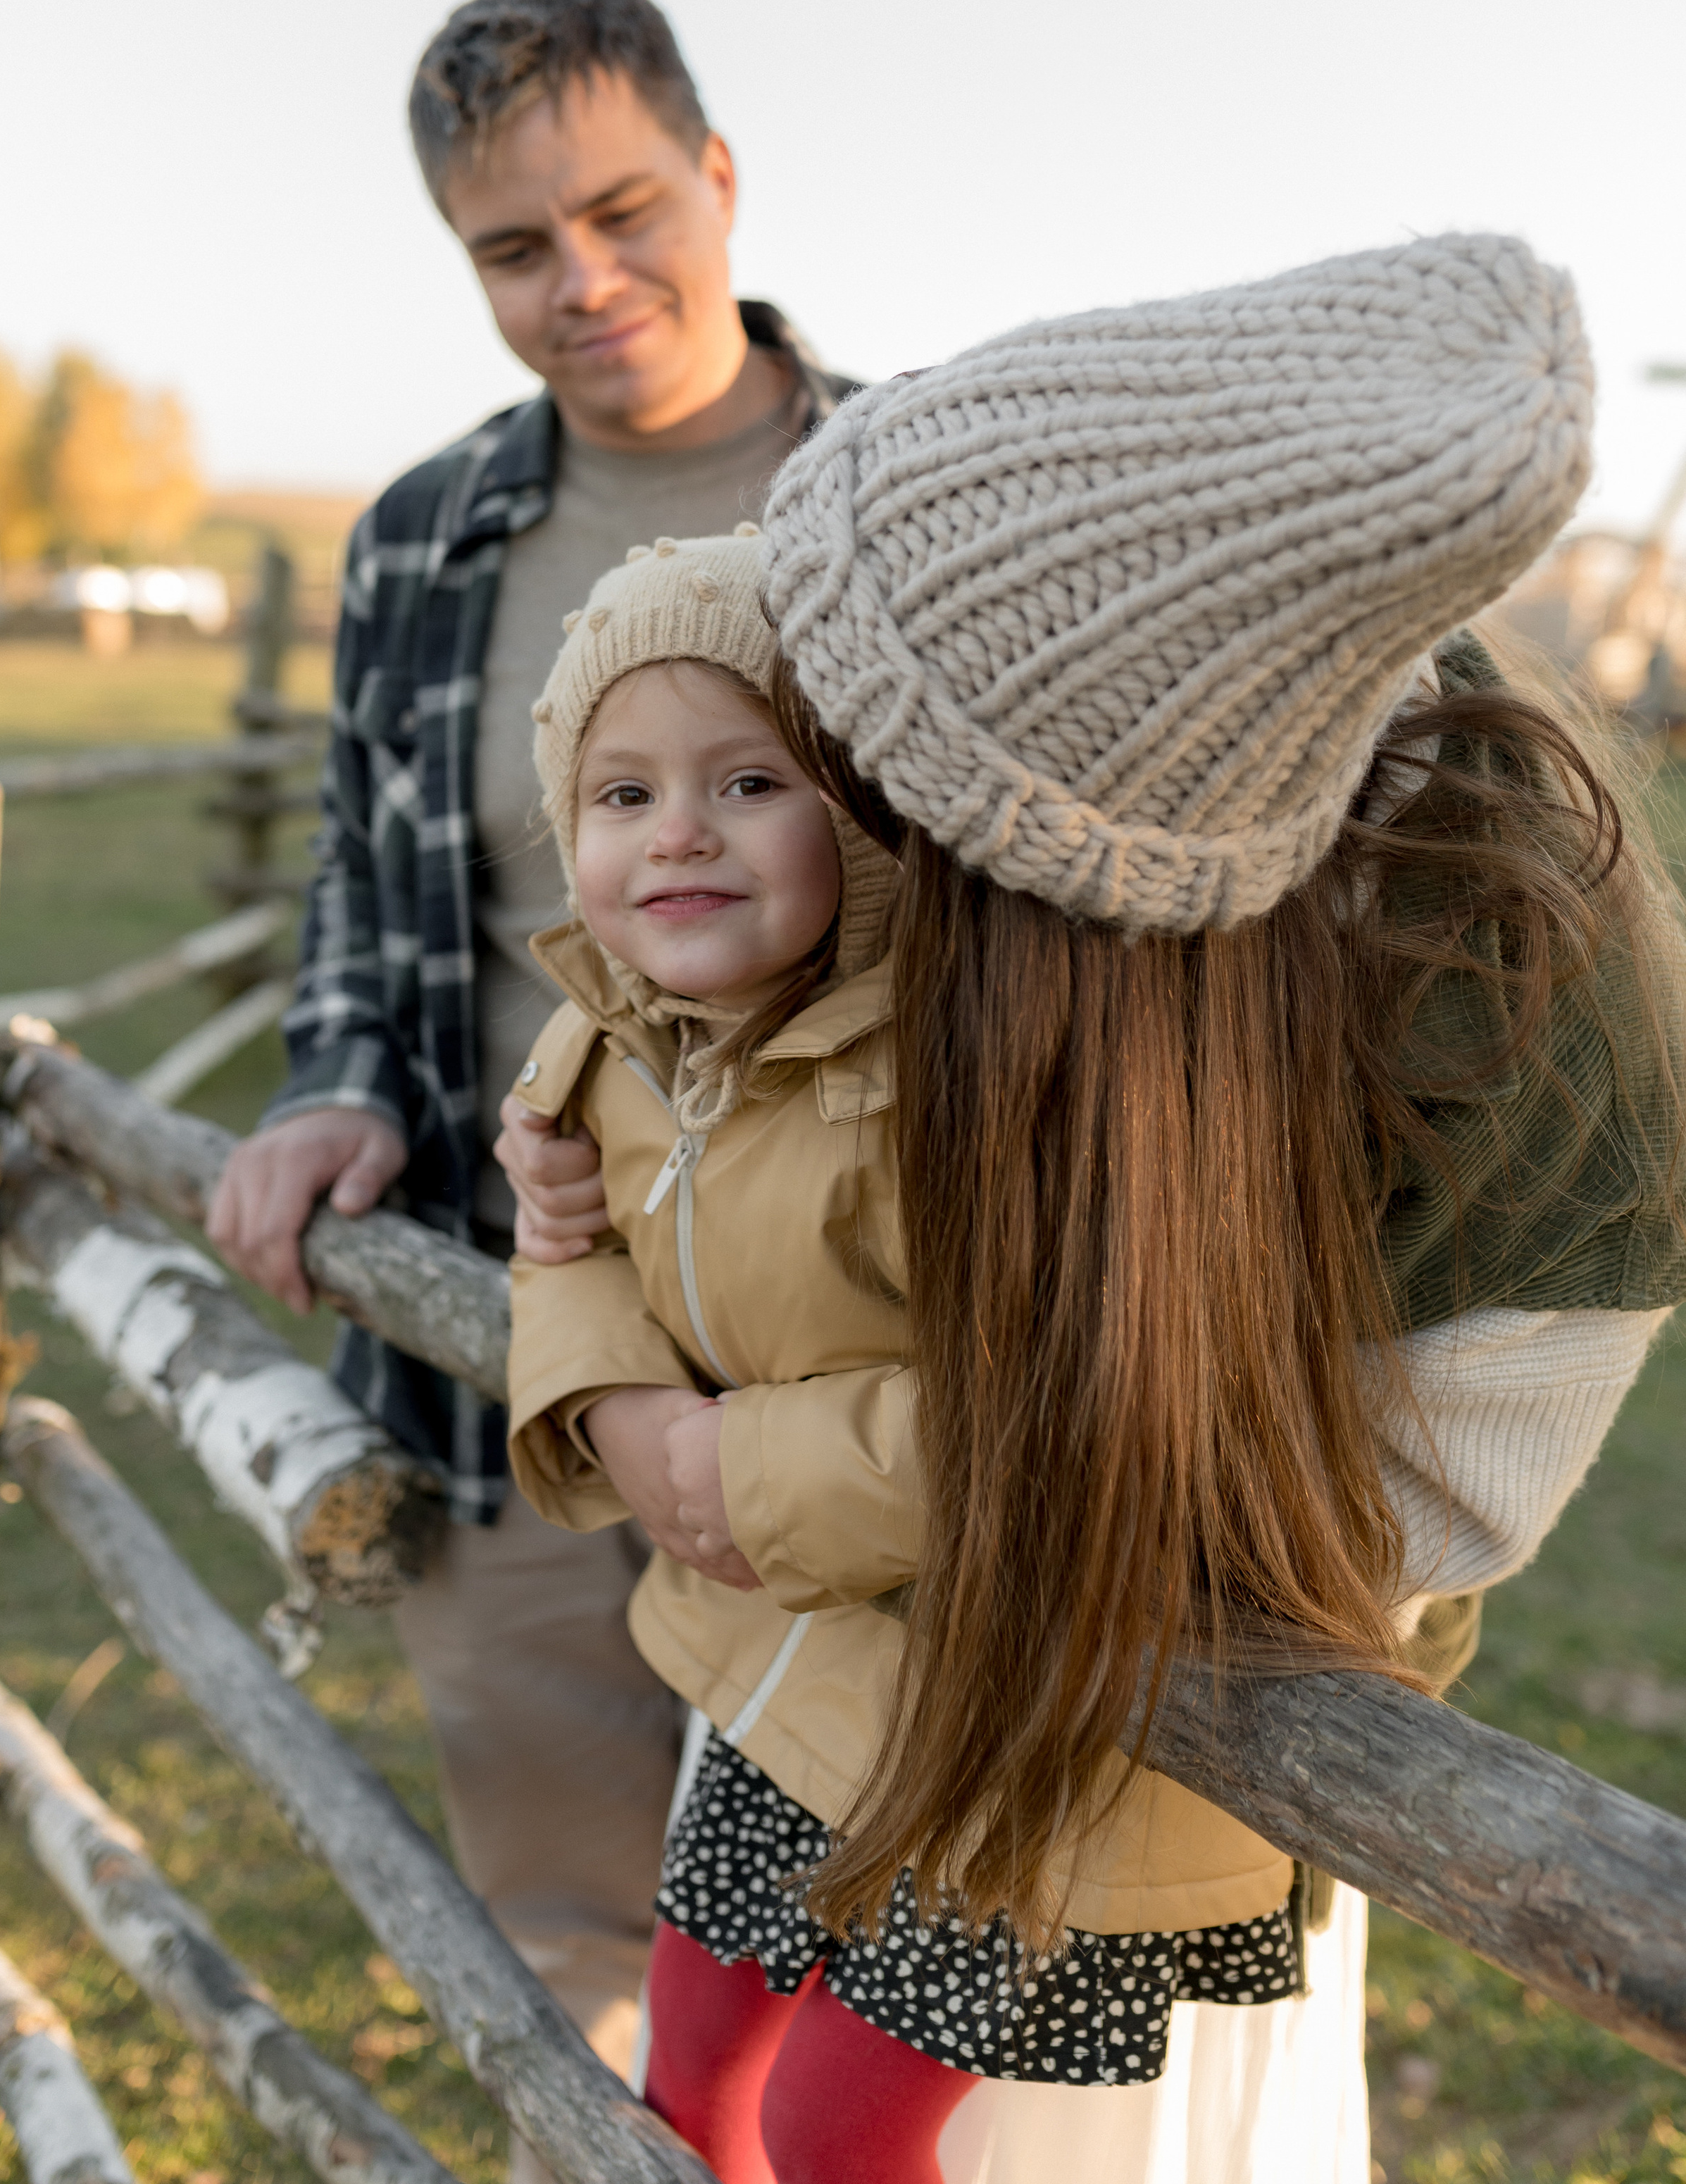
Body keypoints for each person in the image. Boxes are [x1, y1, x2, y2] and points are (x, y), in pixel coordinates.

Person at [505, 235, 1686, 2184]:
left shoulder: (1500, 1024)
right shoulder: (980, 914)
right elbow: (712, 1144)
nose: (804, 814)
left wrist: (749, 1465)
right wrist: (614, 1239)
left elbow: (1300, 1526)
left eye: (858, 768)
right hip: (846, 1672)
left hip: (1112, 1782)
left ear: (1054, 878)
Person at [205, 0, 859, 2150]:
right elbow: (360, 885)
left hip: (858, 1355)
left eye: (621, 209)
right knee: (572, 1916)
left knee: (858, 1947)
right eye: (511, 248)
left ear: (722, 177)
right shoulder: (419, 538)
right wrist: (338, 1080)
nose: (583, 284)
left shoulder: (901, 490)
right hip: (513, 1332)